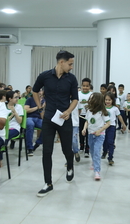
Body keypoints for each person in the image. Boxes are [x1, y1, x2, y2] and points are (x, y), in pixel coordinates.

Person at [32, 50, 78, 197]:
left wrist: (69, 111)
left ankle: (70, 166)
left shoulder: (71, 79)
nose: (71, 67)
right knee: (47, 151)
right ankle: (48, 183)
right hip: (49, 118)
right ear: (61, 62)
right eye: (70, 64)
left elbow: (75, 99)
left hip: (64, 119)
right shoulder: (44, 76)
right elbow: (34, 91)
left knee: (66, 149)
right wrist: (40, 107)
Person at [82, 92, 110, 180]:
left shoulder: (103, 112)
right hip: (90, 134)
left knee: (97, 152)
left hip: (100, 135)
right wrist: (84, 129)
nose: (89, 100)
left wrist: (99, 130)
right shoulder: (89, 111)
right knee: (92, 150)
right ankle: (94, 162)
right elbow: (87, 121)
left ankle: (97, 171)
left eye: (91, 98)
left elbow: (108, 123)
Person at [102, 92, 126, 165]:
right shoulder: (102, 108)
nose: (107, 101)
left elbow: (119, 116)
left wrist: (123, 124)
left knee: (110, 142)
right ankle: (105, 151)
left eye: (109, 100)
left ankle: (110, 157)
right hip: (103, 127)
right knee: (104, 141)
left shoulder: (115, 108)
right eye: (106, 100)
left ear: (112, 100)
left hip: (112, 127)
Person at [24, 92, 43, 156]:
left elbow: (43, 115)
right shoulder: (30, 99)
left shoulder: (44, 101)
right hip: (30, 117)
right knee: (30, 125)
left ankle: (38, 143)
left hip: (39, 119)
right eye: (38, 91)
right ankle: (29, 148)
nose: (40, 93)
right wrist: (37, 107)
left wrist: (42, 108)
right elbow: (26, 110)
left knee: (47, 126)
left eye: (41, 91)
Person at [78, 78, 92, 157]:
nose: (85, 87)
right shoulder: (78, 94)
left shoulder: (92, 95)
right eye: (84, 86)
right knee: (81, 132)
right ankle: (81, 147)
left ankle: (87, 149)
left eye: (87, 86)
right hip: (80, 116)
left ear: (89, 86)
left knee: (87, 132)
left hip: (89, 116)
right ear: (81, 85)